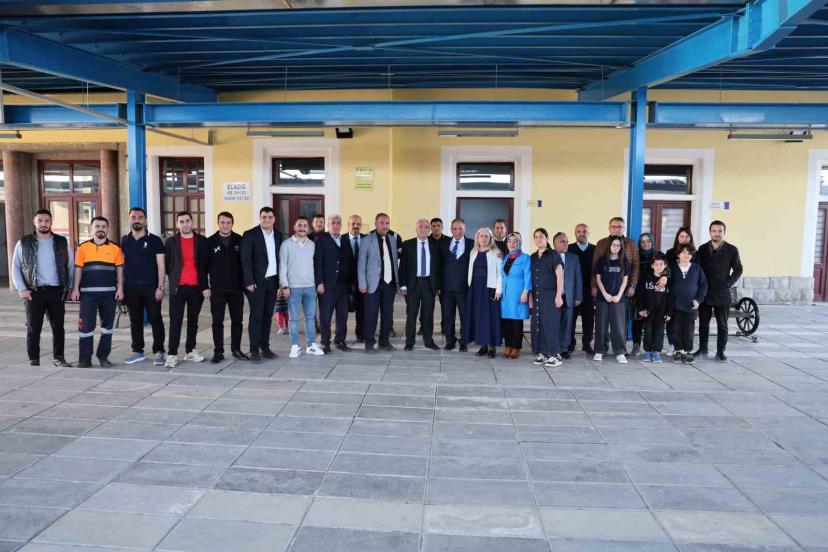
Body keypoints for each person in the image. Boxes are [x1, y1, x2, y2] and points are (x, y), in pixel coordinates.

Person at [12, 209, 74, 367]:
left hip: (56, 291)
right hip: (34, 291)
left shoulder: (61, 242)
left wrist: (69, 287)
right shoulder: (23, 242)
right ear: (34, 222)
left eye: (47, 220)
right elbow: (16, 267)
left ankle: (58, 358)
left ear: (51, 222)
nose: (43, 223)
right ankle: (34, 360)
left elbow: (70, 266)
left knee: (58, 327)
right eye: (40, 220)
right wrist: (22, 288)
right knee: (33, 328)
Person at [71, 216, 123, 368]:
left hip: (109, 294)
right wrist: (75, 288)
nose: (101, 229)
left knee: (107, 328)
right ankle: (84, 359)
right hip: (87, 294)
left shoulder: (115, 248)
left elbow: (120, 270)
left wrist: (120, 288)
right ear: (91, 229)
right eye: (97, 226)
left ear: (107, 229)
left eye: (103, 226)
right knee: (85, 328)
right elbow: (78, 269)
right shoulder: (82, 248)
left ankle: (103, 357)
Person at [120, 207, 166, 366]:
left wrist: (160, 287)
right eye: (133, 217)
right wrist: (121, 287)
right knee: (135, 320)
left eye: (140, 217)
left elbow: (161, 265)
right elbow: (120, 266)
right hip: (131, 287)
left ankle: (159, 351)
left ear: (145, 220)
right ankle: (137, 351)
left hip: (151, 287)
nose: (137, 220)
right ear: (129, 219)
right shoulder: (124, 241)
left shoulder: (155, 240)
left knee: (155, 319)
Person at [164, 211, 209, 368]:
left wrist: (205, 286)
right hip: (178, 288)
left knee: (193, 321)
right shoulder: (171, 242)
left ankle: (190, 350)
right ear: (177, 224)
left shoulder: (202, 241)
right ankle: (172, 354)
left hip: (196, 288)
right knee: (175, 321)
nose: (185, 224)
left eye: (187, 221)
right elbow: (168, 264)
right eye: (181, 221)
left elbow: (205, 265)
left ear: (192, 221)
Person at [695, 220, 743, 361]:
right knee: (703, 324)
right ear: (710, 232)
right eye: (714, 231)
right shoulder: (702, 249)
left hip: (722, 293)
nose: (717, 234)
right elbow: (697, 268)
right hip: (705, 292)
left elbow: (738, 269)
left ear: (724, 232)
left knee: (722, 324)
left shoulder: (732, 249)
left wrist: (728, 283)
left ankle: (720, 352)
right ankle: (703, 349)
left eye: (720, 231)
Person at [241, 206, 283, 363]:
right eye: (264, 217)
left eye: (270, 217)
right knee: (256, 316)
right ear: (260, 218)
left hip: (272, 282)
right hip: (256, 283)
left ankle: (265, 347)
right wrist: (249, 281)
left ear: (274, 219)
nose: (267, 219)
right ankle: (254, 350)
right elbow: (245, 259)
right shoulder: (250, 234)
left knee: (267, 316)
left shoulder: (278, 235)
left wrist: (280, 282)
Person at [280, 216, 325, 358]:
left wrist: (318, 283)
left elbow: (317, 266)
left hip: (310, 287)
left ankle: (311, 345)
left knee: (310, 318)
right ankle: (295, 346)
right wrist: (285, 286)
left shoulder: (312, 245)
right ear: (294, 227)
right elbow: (283, 266)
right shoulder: (286, 244)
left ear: (308, 228)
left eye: (305, 226)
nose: (302, 228)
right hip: (293, 287)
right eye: (299, 225)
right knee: (293, 319)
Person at [206, 211, 247, 364]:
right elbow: (203, 266)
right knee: (217, 321)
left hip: (236, 288)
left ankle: (236, 349)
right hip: (217, 289)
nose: (225, 225)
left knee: (237, 321)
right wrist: (205, 286)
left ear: (232, 224)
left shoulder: (240, 240)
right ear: (218, 223)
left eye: (228, 222)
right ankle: (218, 351)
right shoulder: (210, 242)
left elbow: (245, 264)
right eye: (222, 222)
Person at [357, 212, 399, 353]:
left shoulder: (393, 239)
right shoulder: (367, 240)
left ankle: (384, 341)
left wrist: (398, 282)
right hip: (372, 284)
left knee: (387, 314)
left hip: (389, 284)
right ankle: (369, 343)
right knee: (371, 314)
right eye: (382, 223)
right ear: (375, 223)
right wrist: (362, 283)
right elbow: (361, 263)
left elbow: (394, 262)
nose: (385, 226)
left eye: (387, 223)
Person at [399, 218, 440, 351]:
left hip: (429, 284)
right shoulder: (407, 244)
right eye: (420, 227)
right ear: (416, 229)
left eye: (426, 227)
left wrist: (438, 286)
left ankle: (428, 341)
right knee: (411, 314)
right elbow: (403, 266)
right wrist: (403, 285)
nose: (423, 229)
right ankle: (409, 342)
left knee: (428, 314)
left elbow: (439, 267)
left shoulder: (435, 244)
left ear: (429, 230)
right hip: (413, 284)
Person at [314, 214, 352, 353]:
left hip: (343, 285)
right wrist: (319, 282)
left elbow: (349, 262)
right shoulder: (321, 240)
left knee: (343, 315)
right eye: (333, 223)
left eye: (338, 223)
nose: (336, 225)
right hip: (327, 285)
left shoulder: (345, 240)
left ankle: (340, 340)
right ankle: (325, 342)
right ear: (328, 225)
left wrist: (351, 284)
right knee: (325, 316)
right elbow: (317, 263)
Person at [464, 227, 502, 358]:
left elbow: (500, 273)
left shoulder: (496, 252)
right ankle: (483, 346)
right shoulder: (473, 252)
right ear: (477, 238)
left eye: (486, 236)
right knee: (478, 316)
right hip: (475, 289)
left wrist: (498, 290)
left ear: (490, 238)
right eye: (481, 236)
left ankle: (492, 347)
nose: (484, 238)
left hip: (489, 289)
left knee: (490, 318)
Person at [529, 229, 564, 367]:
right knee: (538, 324)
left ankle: (555, 355)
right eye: (536, 237)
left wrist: (559, 295)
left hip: (551, 296)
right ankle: (543, 353)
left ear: (547, 238)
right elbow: (530, 278)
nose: (538, 239)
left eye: (541, 236)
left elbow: (560, 275)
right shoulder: (532, 257)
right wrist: (530, 297)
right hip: (537, 296)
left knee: (551, 324)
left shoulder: (553, 255)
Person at [593, 236, 630, 364]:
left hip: (618, 299)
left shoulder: (624, 262)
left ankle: (620, 352)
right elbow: (598, 279)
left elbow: (625, 280)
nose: (615, 247)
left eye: (618, 245)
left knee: (618, 326)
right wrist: (604, 293)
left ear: (621, 247)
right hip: (603, 298)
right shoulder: (602, 261)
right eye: (613, 245)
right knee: (601, 325)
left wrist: (619, 295)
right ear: (609, 246)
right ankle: (600, 350)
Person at [439, 218, 473, 352]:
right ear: (451, 230)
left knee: (465, 316)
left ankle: (464, 341)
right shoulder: (443, 243)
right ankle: (450, 341)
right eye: (454, 229)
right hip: (446, 288)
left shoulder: (472, 244)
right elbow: (438, 264)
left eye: (460, 229)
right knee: (448, 316)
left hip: (464, 289)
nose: (457, 231)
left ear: (465, 229)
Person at [669, 244, 708, 363]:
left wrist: (698, 300)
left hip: (691, 306)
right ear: (678, 254)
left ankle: (687, 351)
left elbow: (703, 285)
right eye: (684, 252)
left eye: (689, 253)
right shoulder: (672, 268)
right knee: (676, 329)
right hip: (676, 305)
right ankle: (678, 350)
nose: (686, 255)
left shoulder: (696, 268)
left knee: (688, 330)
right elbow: (668, 285)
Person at [500, 232, 531, 359]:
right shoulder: (506, 257)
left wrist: (525, 292)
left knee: (516, 322)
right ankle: (508, 345)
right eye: (509, 241)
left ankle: (516, 347)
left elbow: (528, 276)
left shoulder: (525, 258)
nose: (512, 244)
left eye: (515, 241)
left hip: (518, 294)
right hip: (506, 295)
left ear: (519, 243)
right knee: (506, 321)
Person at [636, 252, 672, 363]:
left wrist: (669, 313)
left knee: (659, 332)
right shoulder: (646, 279)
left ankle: (656, 352)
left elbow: (671, 298)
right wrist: (641, 309)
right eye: (656, 264)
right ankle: (647, 351)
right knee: (648, 331)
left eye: (661, 264)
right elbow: (640, 295)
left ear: (665, 265)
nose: (658, 267)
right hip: (648, 311)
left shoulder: (668, 281)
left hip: (662, 312)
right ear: (652, 265)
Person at [553, 232, 583, 360]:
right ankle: (553, 348)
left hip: (568, 297)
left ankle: (564, 349)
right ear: (554, 243)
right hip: (553, 297)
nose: (565, 244)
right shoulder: (549, 256)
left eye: (566, 241)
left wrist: (578, 296)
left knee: (567, 324)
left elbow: (578, 278)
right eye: (562, 241)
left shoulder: (573, 258)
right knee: (553, 324)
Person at [664, 227, 694, 354]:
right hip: (672, 291)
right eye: (681, 236)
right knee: (671, 320)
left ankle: (684, 348)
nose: (684, 239)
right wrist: (665, 277)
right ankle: (672, 344)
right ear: (677, 238)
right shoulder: (670, 253)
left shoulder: (694, 253)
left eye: (687, 236)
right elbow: (666, 268)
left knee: (686, 324)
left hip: (688, 294)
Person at [631, 232, 661, 357]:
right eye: (643, 241)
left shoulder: (658, 255)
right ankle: (636, 345)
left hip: (654, 293)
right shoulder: (636, 255)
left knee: (652, 321)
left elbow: (667, 270)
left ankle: (652, 347)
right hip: (638, 292)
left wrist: (665, 277)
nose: (646, 243)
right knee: (637, 319)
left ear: (652, 242)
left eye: (648, 241)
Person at [568, 223, 596, 355]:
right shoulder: (569, 249)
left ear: (588, 233)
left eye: (584, 231)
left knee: (589, 319)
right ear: (575, 234)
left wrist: (595, 287)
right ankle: (570, 343)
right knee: (571, 318)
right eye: (578, 231)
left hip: (589, 290)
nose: (581, 233)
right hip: (572, 291)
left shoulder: (595, 249)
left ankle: (587, 344)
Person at [346, 214, 366, 343]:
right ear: (348, 225)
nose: (355, 226)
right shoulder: (341, 239)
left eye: (358, 224)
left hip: (362, 281)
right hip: (345, 281)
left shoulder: (366, 239)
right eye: (353, 223)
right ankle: (340, 336)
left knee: (362, 310)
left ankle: (361, 334)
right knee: (343, 311)